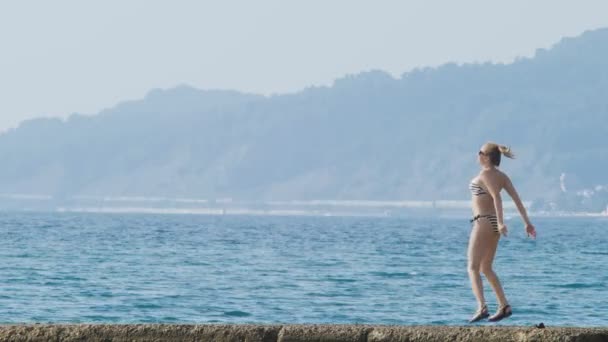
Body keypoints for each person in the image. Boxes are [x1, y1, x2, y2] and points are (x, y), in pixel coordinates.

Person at [468, 142, 537, 323]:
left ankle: (482, 307)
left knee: (473, 267)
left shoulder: (485, 175)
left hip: (484, 222)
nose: (477, 155)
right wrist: (527, 223)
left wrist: (500, 223)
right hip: (492, 225)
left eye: (479, 152)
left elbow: (497, 197)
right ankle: (504, 306)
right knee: (486, 267)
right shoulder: (502, 176)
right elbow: (516, 199)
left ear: (486, 156)